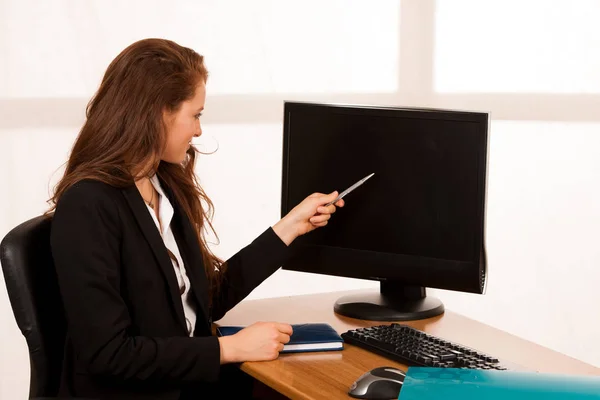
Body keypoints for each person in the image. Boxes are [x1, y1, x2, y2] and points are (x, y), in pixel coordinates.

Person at [48, 38, 344, 400]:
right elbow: (108, 354)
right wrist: (229, 349)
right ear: (158, 113)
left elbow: (202, 303)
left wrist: (289, 228)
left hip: (185, 381)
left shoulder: (162, 186)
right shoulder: (88, 205)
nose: (199, 130)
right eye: (196, 115)